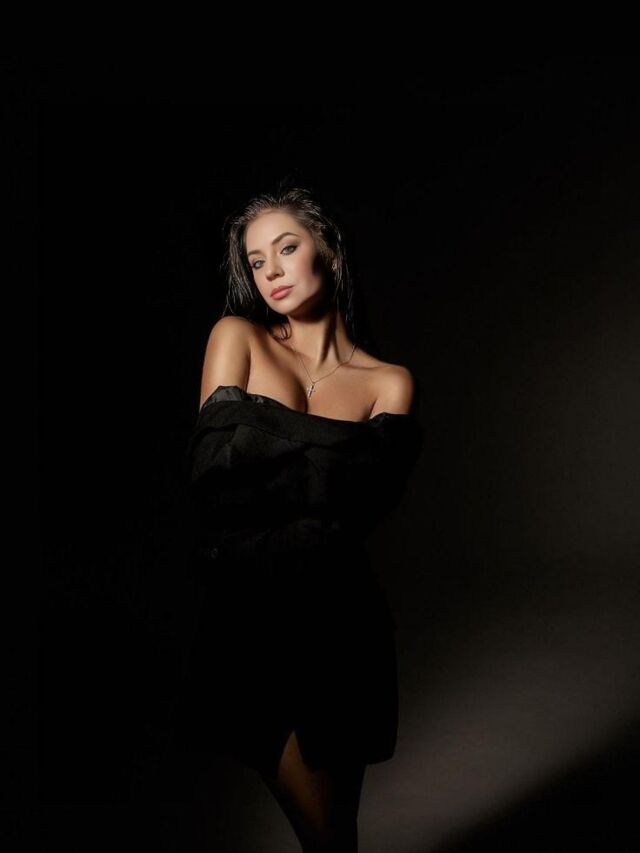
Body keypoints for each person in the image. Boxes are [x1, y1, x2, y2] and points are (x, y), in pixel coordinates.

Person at [172, 184, 423, 851]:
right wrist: (322, 478)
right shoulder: (237, 337)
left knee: (336, 837)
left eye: (286, 248)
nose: (271, 271)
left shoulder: (389, 382)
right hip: (249, 616)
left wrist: (271, 464)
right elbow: (215, 485)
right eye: (256, 261)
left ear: (330, 251)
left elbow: (362, 510)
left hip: (343, 621)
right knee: (329, 836)